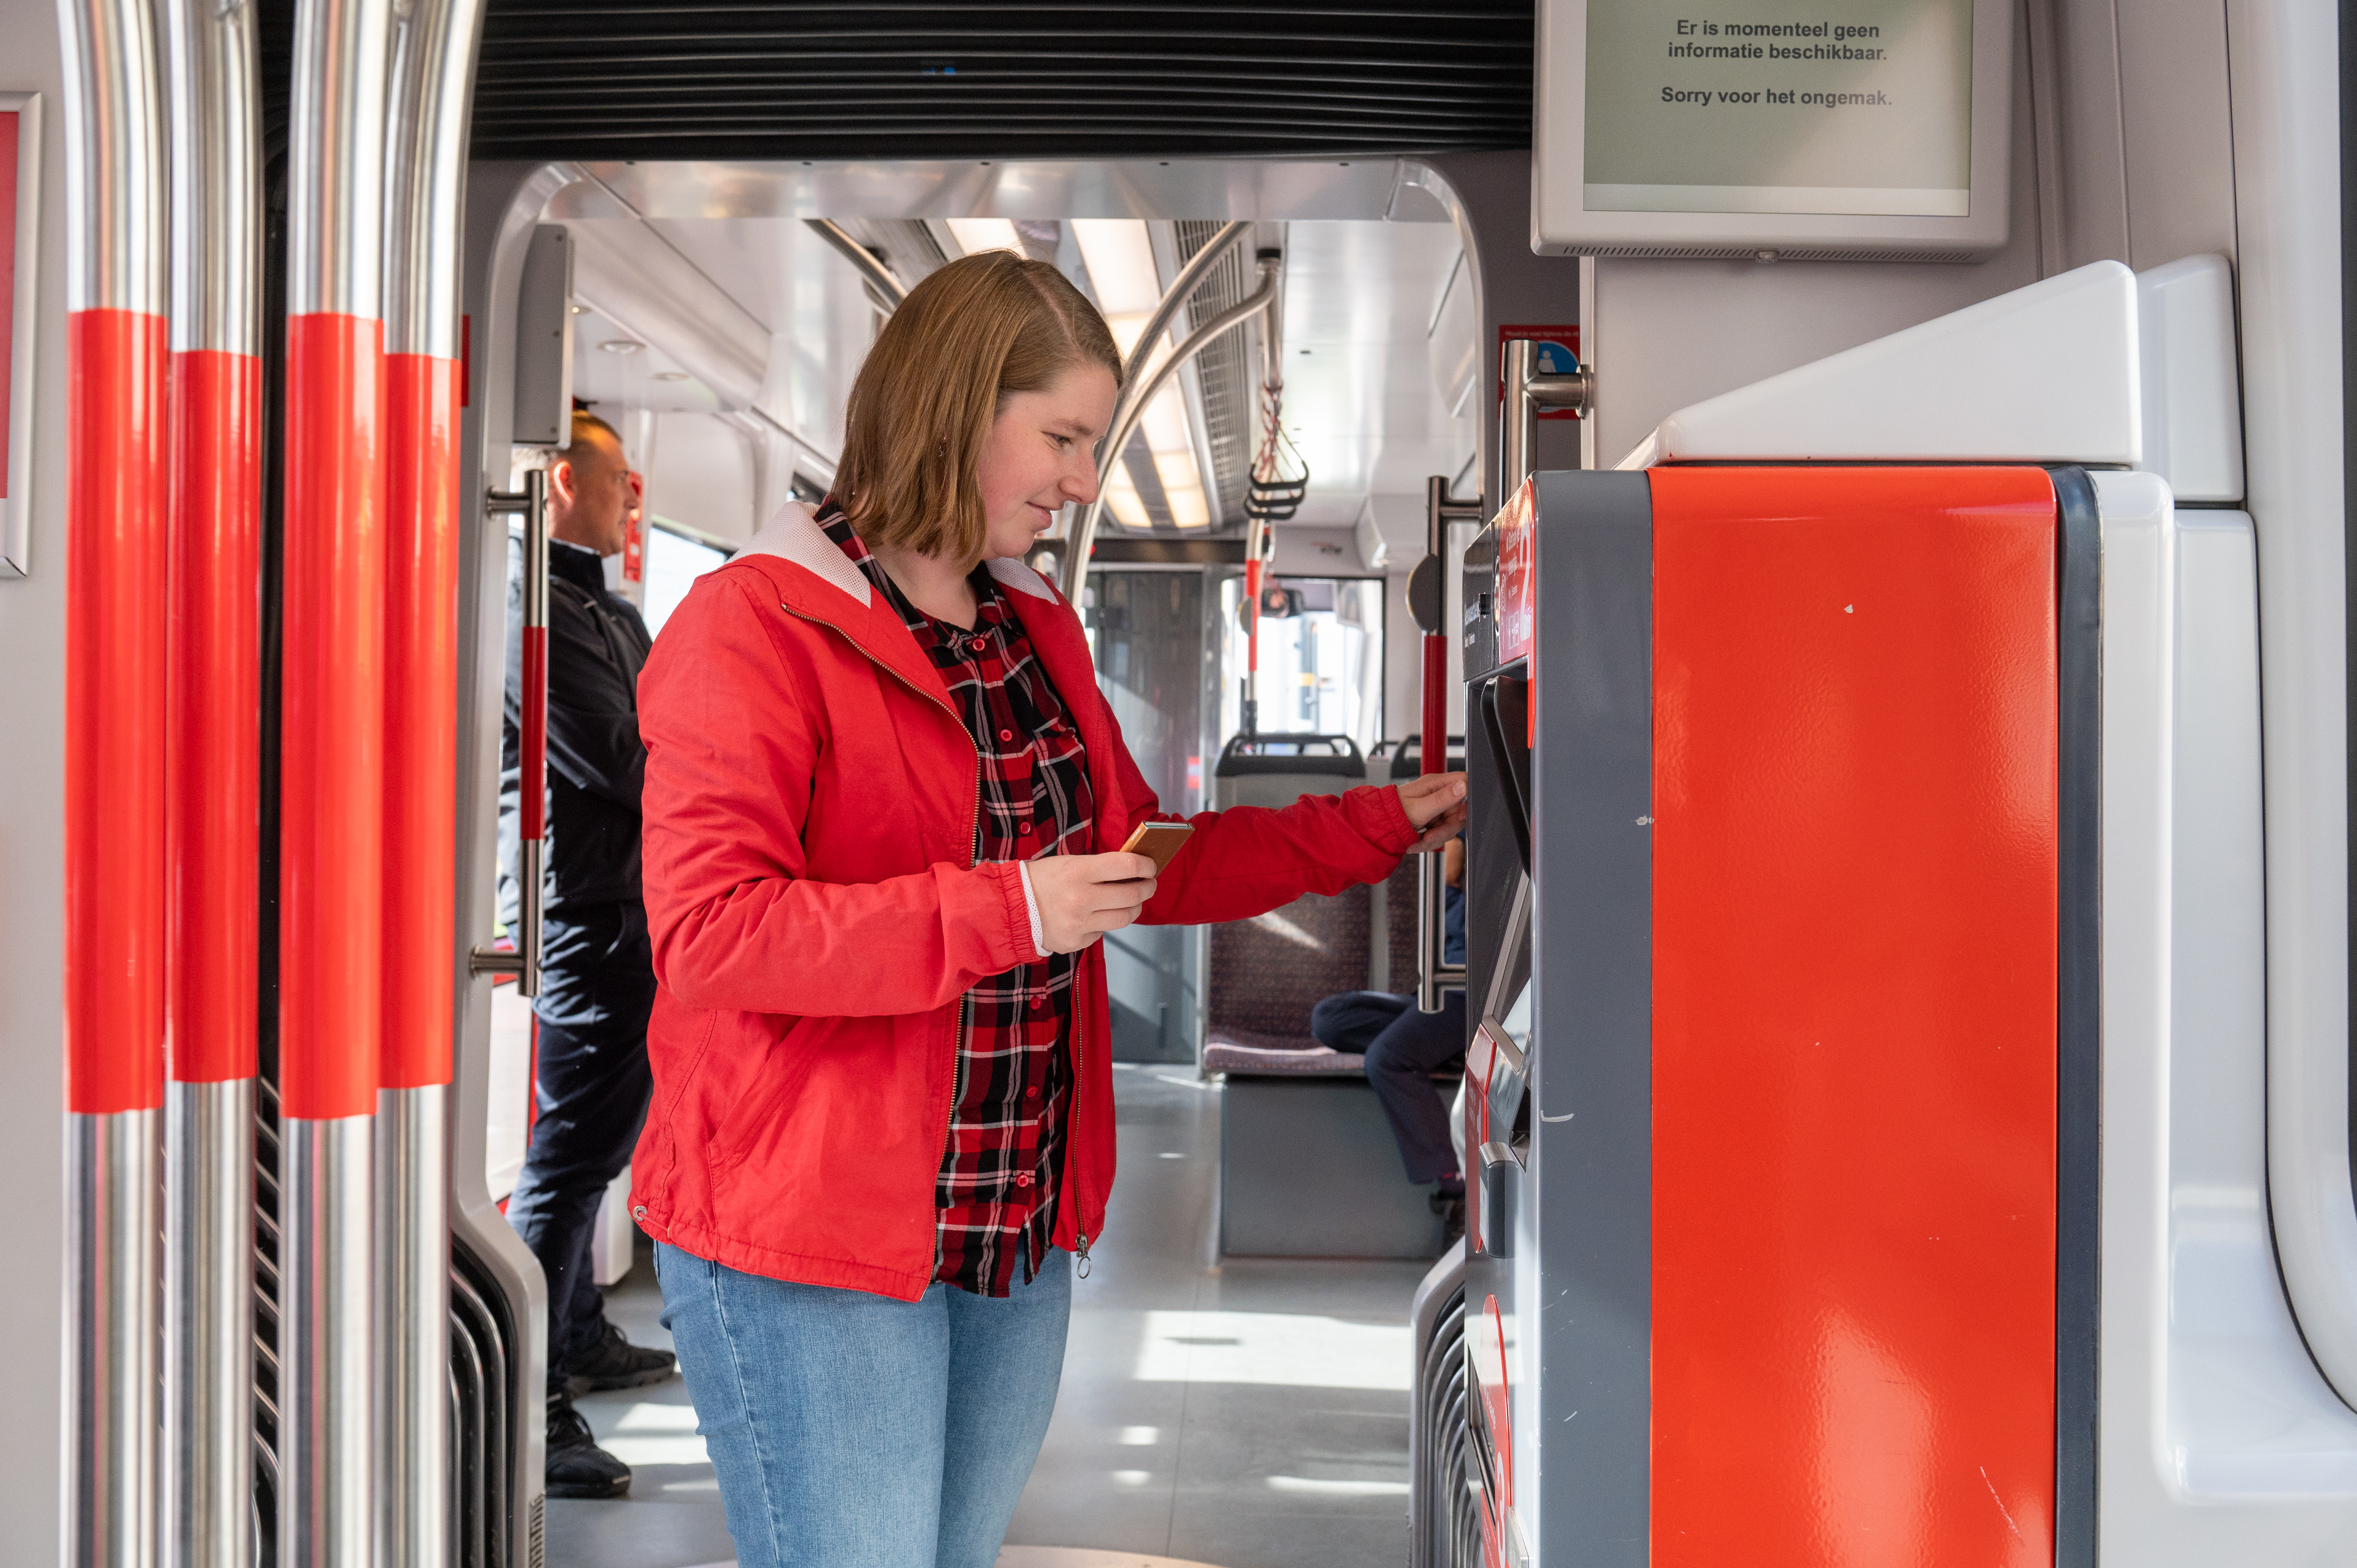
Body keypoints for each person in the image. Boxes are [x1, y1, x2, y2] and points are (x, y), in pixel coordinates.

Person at [631, 249, 1469, 1568]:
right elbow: (717, 933)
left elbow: (1142, 865)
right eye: (1062, 436)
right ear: (955, 406)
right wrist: (1011, 908)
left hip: (1010, 1213)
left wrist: (1373, 823)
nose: (1081, 480)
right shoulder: (754, 626)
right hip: (813, 1232)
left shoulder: (1032, 629)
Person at [500, 410, 678, 1500]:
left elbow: (671, 729)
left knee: (598, 1149)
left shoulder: (605, 608)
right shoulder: (536, 608)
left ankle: (577, 1330)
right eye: (622, 481)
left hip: (631, 905)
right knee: (566, 1161)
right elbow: (625, 753)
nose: (633, 500)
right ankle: (535, 1400)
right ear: (565, 480)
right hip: (586, 912)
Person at [1309, 837, 1470, 1233]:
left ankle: (1454, 1183)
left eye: (1454, 841)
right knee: (1329, 1017)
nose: (1445, 849)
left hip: (1471, 998)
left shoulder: (1496, 889)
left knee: (1385, 1058)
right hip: (1434, 997)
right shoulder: (1450, 892)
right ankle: (1436, 1047)